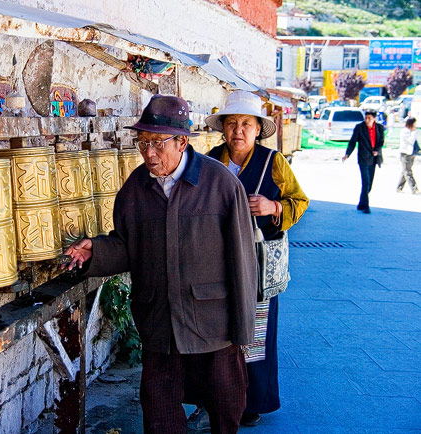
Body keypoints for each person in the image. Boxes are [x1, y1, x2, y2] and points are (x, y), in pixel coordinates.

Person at [63, 95, 258, 434]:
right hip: (160, 323)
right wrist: (94, 251)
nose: (148, 153)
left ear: (182, 142)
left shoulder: (221, 185)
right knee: (160, 415)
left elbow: (243, 262)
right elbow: (126, 245)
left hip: (214, 325)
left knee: (226, 409)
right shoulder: (135, 189)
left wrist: (243, 333)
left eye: (157, 143)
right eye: (142, 143)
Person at [204, 90, 309, 426]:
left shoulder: (273, 162)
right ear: (223, 128)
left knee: (256, 334)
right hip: (215, 262)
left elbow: (300, 201)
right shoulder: (208, 161)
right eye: (232, 123)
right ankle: (217, 397)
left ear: (256, 129)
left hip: (258, 266)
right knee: (217, 330)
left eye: (245, 124)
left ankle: (251, 403)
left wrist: (274, 207)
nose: (238, 130)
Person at [342, 110, 384, 214]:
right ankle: (366, 206)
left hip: (374, 159)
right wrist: (347, 154)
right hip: (363, 158)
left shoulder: (379, 128)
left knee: (370, 184)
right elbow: (353, 141)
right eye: (366, 118)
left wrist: (377, 150)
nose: (366, 120)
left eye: (369, 118)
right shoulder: (359, 127)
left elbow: (381, 141)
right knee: (366, 182)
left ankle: (361, 203)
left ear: (374, 119)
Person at [397, 117, 419, 194]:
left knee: (405, 171)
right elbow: (411, 141)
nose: (415, 125)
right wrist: (413, 132)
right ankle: (414, 188)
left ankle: (399, 187)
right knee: (408, 172)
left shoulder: (411, 131)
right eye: (414, 123)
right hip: (405, 153)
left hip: (411, 153)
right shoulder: (405, 131)